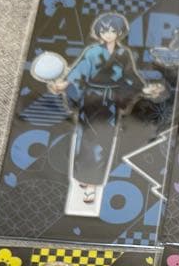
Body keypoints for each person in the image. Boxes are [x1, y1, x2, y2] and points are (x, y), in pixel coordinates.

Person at [48, 12, 169, 204]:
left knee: (102, 142)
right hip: (90, 100)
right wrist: (63, 85)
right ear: (99, 32)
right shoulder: (91, 52)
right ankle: (84, 177)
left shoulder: (124, 54)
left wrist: (144, 89)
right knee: (85, 141)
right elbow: (78, 73)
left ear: (119, 32)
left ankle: (92, 185)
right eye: (104, 30)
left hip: (110, 102)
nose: (109, 34)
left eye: (113, 30)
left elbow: (131, 77)